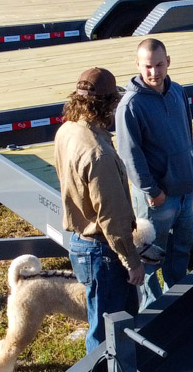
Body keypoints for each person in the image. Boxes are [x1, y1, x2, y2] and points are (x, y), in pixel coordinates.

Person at [54, 66, 145, 352]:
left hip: (82, 244)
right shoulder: (99, 153)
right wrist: (132, 261)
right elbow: (112, 217)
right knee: (109, 330)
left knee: (100, 321)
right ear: (107, 105)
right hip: (103, 252)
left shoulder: (67, 130)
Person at [116, 37, 193, 309]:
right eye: (148, 66)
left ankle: (177, 303)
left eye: (159, 65)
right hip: (158, 198)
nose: (154, 72)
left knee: (181, 251)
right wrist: (152, 190)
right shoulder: (131, 105)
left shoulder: (178, 91)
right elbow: (130, 154)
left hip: (185, 190)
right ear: (138, 65)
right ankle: (151, 310)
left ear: (168, 62)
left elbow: (188, 132)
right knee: (152, 258)